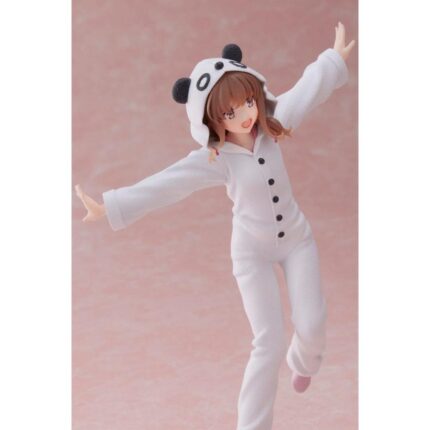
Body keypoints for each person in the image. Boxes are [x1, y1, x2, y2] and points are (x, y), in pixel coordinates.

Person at [75, 22, 355, 430]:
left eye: (247, 102)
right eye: (229, 112)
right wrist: (111, 205)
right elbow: (168, 183)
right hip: (251, 253)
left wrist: (331, 60)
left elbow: (306, 91)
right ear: (211, 119)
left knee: (312, 327)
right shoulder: (217, 158)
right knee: (268, 342)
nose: (244, 115)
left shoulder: (273, 125)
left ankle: (303, 361)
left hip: (297, 240)